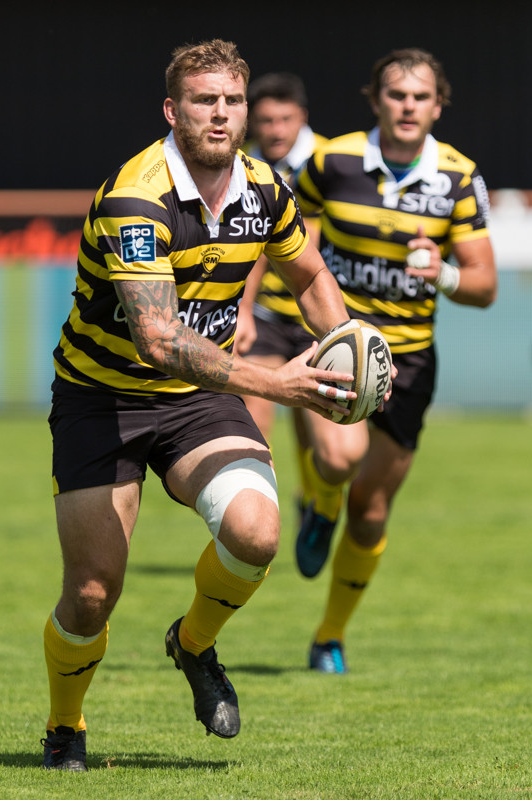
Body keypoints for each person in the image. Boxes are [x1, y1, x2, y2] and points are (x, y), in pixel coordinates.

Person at [42, 39, 359, 771]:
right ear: (172, 110)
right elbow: (157, 338)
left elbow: (309, 273)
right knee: (92, 593)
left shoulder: (263, 187)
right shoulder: (136, 195)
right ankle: (66, 726)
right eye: (203, 101)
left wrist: (346, 347)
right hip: (104, 397)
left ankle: (193, 645)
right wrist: (276, 383)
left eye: (232, 101)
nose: (221, 114)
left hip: (194, 401)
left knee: (255, 533)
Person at [291, 48, 497, 674]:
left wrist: (445, 273)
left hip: (409, 362)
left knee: (372, 510)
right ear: (375, 99)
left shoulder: (459, 178)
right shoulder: (331, 162)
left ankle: (330, 636)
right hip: (343, 342)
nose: (408, 106)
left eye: (421, 96)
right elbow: (290, 243)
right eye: (396, 95)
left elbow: (485, 286)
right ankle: (319, 504)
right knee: (336, 456)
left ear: (439, 105)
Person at [234, 72, 329, 555]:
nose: (274, 129)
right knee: (257, 414)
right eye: (265, 120)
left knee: (317, 435)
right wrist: (244, 310)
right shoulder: (242, 167)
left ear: (302, 119)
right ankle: (257, 523)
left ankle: (312, 502)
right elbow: (247, 247)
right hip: (268, 314)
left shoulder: (331, 163)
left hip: (315, 314)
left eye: (284, 119)